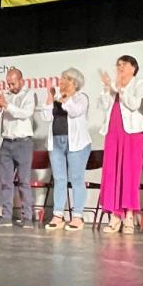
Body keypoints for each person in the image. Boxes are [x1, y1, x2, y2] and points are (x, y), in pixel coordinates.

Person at [98, 55, 143, 234]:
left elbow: (134, 105)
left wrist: (121, 89)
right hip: (113, 132)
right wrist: (107, 88)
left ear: (133, 68)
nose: (119, 68)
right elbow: (104, 106)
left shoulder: (140, 83)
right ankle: (115, 215)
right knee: (112, 173)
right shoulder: (114, 86)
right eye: (117, 65)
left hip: (132, 134)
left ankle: (129, 216)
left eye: (123, 65)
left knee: (129, 174)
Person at [40, 68, 91, 231]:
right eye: (61, 79)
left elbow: (75, 112)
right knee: (60, 179)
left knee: (76, 178)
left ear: (73, 82)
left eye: (64, 79)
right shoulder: (56, 98)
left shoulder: (81, 98)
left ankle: (77, 216)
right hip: (56, 143)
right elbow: (46, 117)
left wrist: (65, 99)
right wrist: (50, 96)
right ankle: (58, 215)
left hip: (77, 143)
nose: (60, 82)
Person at [0, 68, 36, 227]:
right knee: (5, 182)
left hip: (23, 143)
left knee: (24, 182)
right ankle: (6, 216)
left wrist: (7, 106)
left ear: (21, 80)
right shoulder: (6, 96)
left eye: (13, 83)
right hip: (7, 143)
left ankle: (28, 217)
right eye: (8, 83)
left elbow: (25, 114)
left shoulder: (29, 94)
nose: (10, 86)